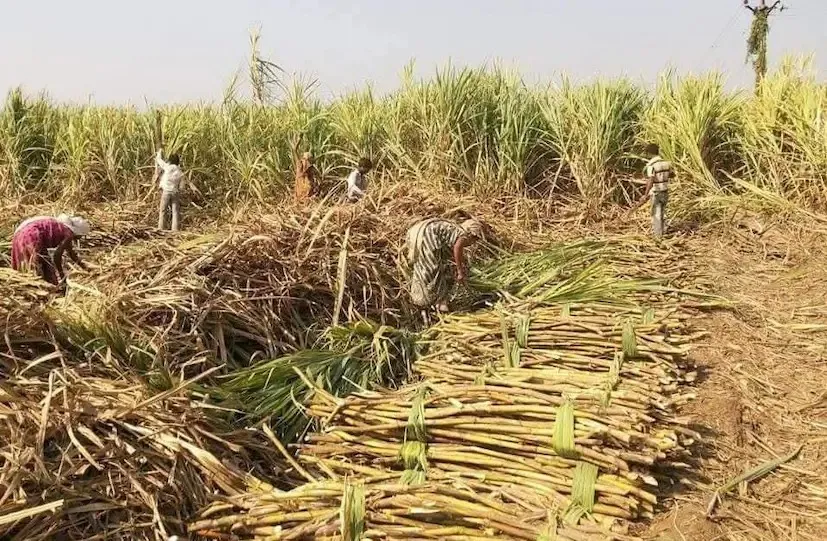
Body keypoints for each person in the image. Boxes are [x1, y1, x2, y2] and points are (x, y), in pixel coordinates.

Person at [405, 218, 483, 315]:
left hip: (416, 232)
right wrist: (460, 271)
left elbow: (453, 252)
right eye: (475, 239)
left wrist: (462, 264)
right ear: (472, 234)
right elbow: (457, 247)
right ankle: (439, 305)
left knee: (422, 268)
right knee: (433, 270)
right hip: (428, 235)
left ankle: (421, 300)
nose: (473, 242)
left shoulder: (453, 230)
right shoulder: (463, 234)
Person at [11, 214, 91, 288]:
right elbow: (57, 256)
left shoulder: (63, 229)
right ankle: (41, 288)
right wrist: (62, 275)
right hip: (31, 235)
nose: (80, 238)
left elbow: (71, 254)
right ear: (78, 233)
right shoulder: (68, 234)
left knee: (26, 265)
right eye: (81, 236)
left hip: (21, 234)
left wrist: (86, 269)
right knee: (39, 266)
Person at [631, 144, 673, 238]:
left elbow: (651, 180)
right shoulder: (667, 163)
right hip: (665, 191)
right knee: (663, 212)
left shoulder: (652, 165)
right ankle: (664, 231)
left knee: (656, 214)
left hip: (656, 192)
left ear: (649, 153)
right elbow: (672, 174)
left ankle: (658, 236)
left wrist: (645, 194)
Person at [155, 149, 185, 231]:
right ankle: (175, 230)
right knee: (175, 212)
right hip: (175, 192)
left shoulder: (167, 167)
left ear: (170, 160)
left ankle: (161, 228)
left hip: (166, 192)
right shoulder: (180, 172)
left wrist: (159, 152)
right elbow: (182, 186)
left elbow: (159, 161)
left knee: (163, 211)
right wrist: (179, 189)